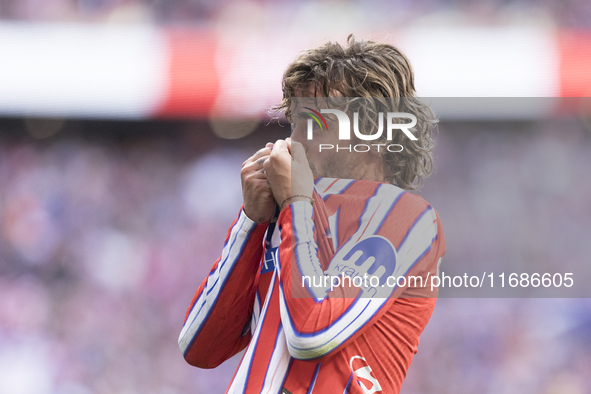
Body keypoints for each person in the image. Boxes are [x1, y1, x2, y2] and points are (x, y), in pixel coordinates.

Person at [178, 35, 446, 393]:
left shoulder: (407, 216)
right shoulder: (291, 213)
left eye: (317, 122)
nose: (294, 140)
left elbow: (311, 334)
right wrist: (250, 223)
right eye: (297, 120)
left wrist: (296, 203)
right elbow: (199, 346)